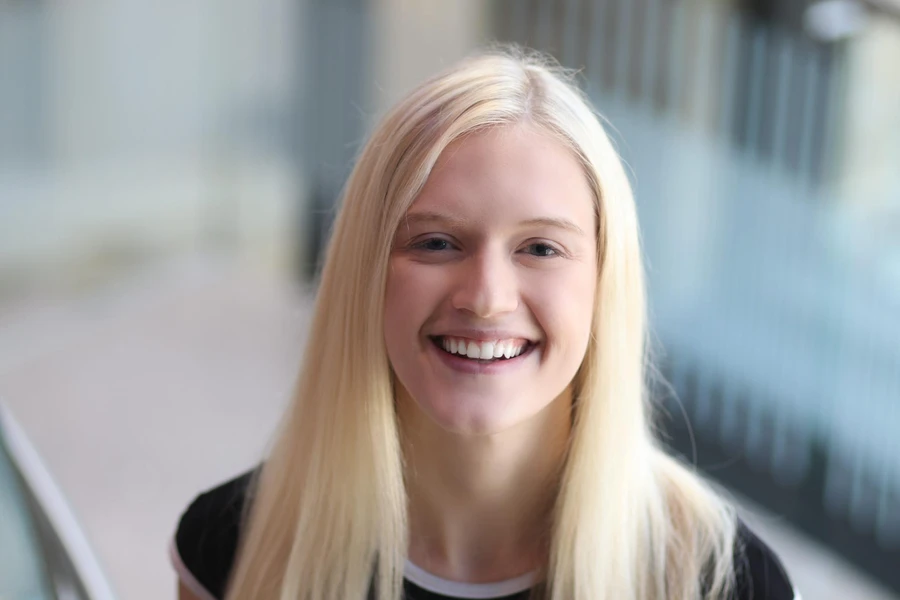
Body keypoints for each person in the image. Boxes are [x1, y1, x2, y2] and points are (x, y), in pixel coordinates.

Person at [170, 49, 799, 600]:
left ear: (605, 285)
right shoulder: (232, 546)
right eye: (438, 242)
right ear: (366, 272)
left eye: (542, 249)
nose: (487, 298)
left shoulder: (726, 582)